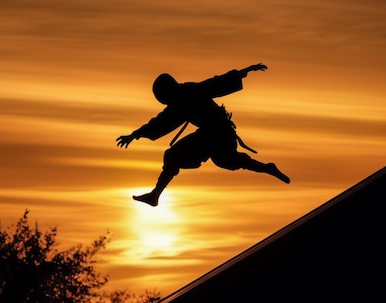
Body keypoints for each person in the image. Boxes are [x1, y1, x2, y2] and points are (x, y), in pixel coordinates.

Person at [116, 63, 290, 207]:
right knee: (224, 160)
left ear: (167, 92)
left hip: (219, 133)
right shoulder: (182, 97)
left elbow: (215, 84)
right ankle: (268, 168)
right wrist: (135, 134)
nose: (164, 103)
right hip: (212, 134)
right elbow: (161, 120)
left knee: (183, 157)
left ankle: (154, 195)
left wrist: (245, 71)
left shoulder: (187, 95)